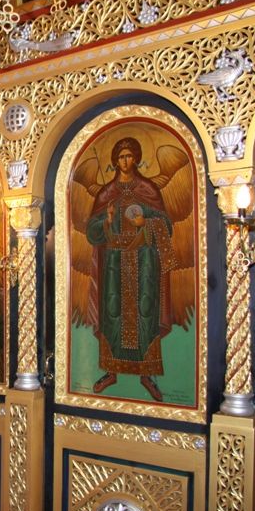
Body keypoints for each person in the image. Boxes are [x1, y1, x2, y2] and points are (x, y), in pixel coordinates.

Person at [86, 137, 178, 402]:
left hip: (144, 260)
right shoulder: (106, 193)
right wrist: (107, 221)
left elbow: (166, 226)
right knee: (112, 312)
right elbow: (91, 232)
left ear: (135, 158)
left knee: (145, 312)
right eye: (120, 157)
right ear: (115, 161)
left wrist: (145, 222)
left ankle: (147, 374)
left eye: (129, 156)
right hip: (114, 262)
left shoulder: (148, 189)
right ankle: (111, 371)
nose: (125, 161)